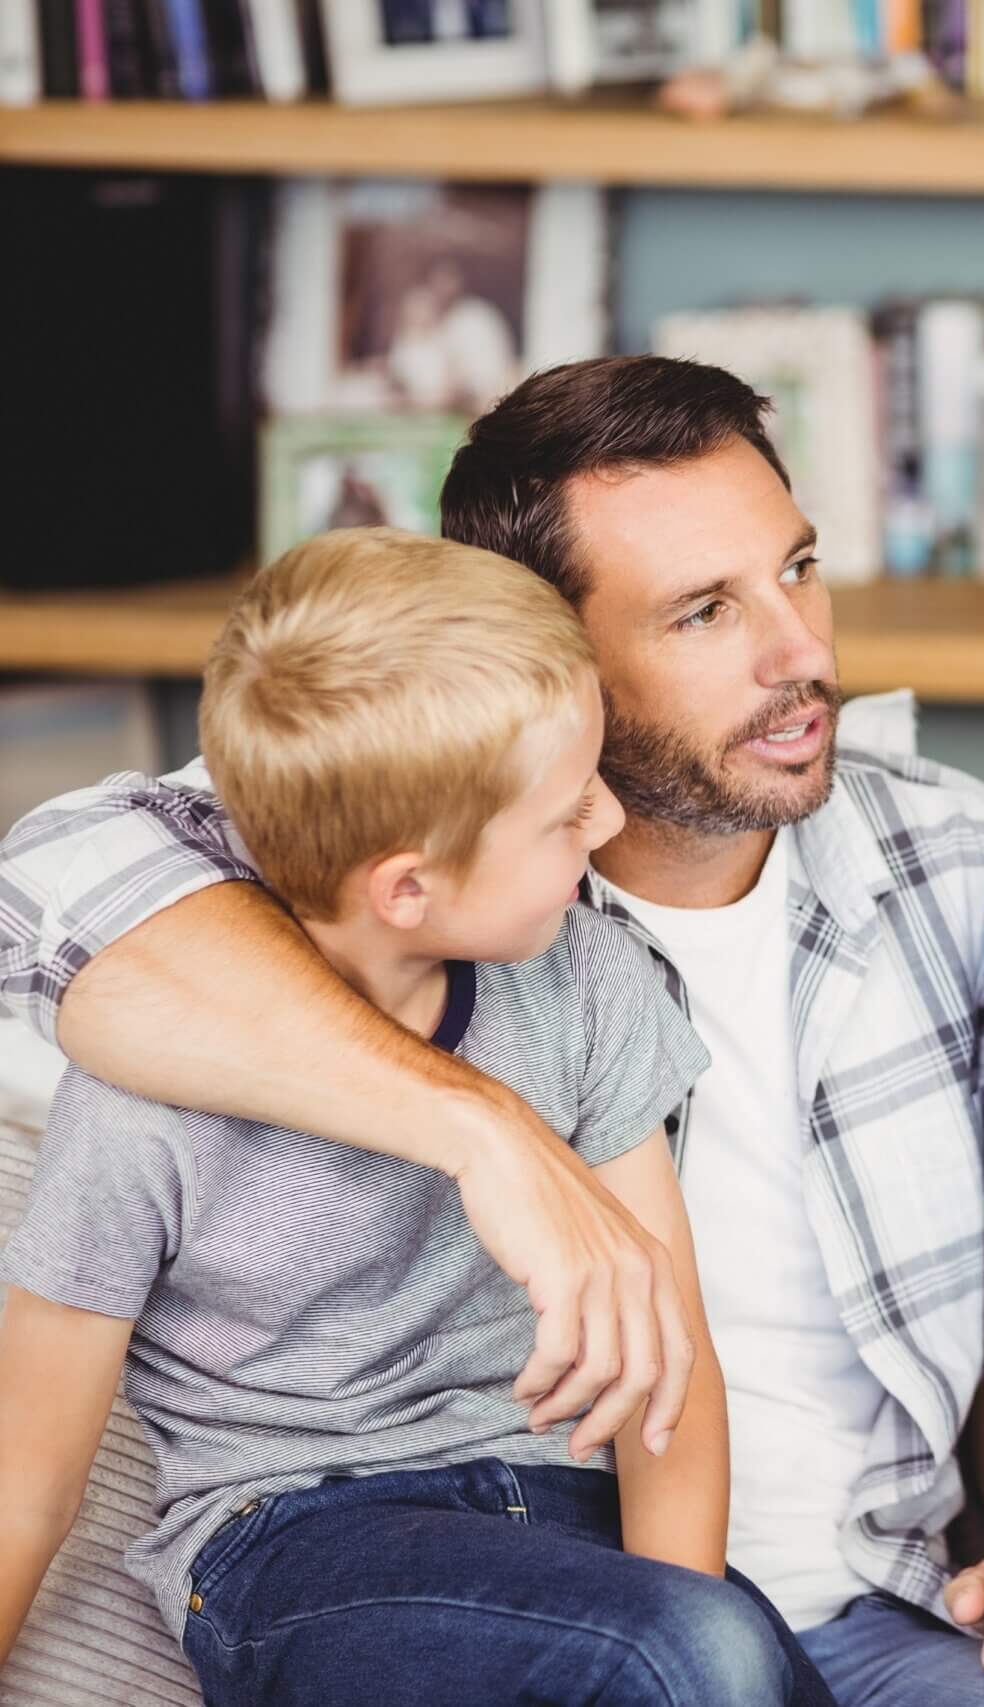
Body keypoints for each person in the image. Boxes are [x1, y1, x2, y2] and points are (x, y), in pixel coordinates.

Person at [0, 357, 984, 1707]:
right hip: (458, 1582)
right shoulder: (386, 825)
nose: (803, 653)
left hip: (864, 1607)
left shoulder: (951, 854)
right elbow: (52, 891)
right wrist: (483, 1131)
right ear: (542, 649)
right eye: (705, 611)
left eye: (799, 568)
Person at [0, 530, 827, 1705]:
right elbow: (25, 1482)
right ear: (407, 886)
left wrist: (693, 1618)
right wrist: (688, 1645)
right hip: (294, 1544)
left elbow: (666, 1380)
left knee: (722, 1653)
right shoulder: (140, 1098)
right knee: (688, 1650)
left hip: (572, 1529)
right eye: (563, 814)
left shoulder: (589, 984)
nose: (606, 822)